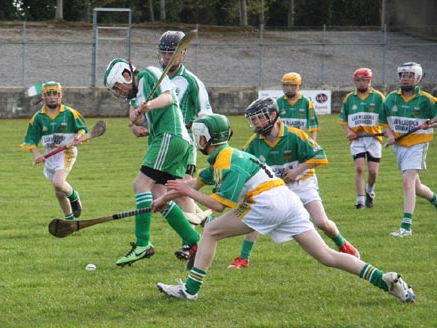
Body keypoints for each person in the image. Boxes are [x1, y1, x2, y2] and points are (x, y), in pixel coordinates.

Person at [153, 114, 415, 303]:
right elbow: (195, 182)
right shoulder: (224, 156)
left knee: (210, 231)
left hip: (266, 202)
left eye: (196, 134)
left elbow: (218, 205)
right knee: (326, 256)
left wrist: (187, 192)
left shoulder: (228, 162)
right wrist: (164, 199)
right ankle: (385, 280)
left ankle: (190, 290)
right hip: (286, 200)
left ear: (204, 137)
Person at [228, 97, 359, 270]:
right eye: (253, 120)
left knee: (321, 222)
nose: (256, 123)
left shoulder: (294, 135)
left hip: (303, 184)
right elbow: (243, 167)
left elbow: (320, 156)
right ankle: (243, 259)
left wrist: (296, 172)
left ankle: (342, 244)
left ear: (273, 115)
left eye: (259, 118)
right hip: (275, 188)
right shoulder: (253, 143)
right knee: (255, 217)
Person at [103, 58, 200, 267]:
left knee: (140, 185)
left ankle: (143, 244)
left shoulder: (150, 74)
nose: (119, 92)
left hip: (170, 134)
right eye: (115, 90)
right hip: (163, 138)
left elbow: (169, 97)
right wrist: (136, 123)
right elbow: (134, 116)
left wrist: (149, 105)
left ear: (127, 75)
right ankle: (194, 243)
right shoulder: (133, 93)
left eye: (119, 86)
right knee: (158, 194)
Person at [157, 30, 214, 260]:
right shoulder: (154, 77)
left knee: (178, 189)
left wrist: (194, 127)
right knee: (177, 191)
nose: (167, 58)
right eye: (164, 53)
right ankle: (206, 221)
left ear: (183, 55)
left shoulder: (191, 82)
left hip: (185, 143)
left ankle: (191, 244)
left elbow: (206, 114)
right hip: (162, 144)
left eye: (173, 53)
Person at [379, 62, 437, 237]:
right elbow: (383, 122)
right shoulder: (391, 98)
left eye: (410, 75)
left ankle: (406, 227)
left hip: (418, 144)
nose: (405, 79)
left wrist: (432, 123)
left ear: (418, 79)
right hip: (399, 147)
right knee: (416, 187)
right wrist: (390, 135)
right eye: (403, 75)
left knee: (407, 181)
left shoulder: (427, 99)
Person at [20, 81, 86, 220]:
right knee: (59, 192)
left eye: (55, 93)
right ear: (43, 96)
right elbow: (30, 139)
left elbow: (82, 128)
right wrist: (37, 154)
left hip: (66, 152)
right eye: (48, 94)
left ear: (60, 95)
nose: (52, 97)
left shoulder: (69, 113)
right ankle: (69, 221)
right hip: (50, 154)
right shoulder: (38, 117)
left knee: (58, 183)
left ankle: (74, 197)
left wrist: (79, 137)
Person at [338, 68, 385, 209]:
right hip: (357, 139)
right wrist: (349, 132)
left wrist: (388, 130)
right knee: (359, 169)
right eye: (358, 80)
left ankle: (370, 191)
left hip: (374, 139)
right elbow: (343, 120)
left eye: (364, 80)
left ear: (369, 81)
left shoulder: (378, 97)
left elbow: (386, 116)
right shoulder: (349, 98)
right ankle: (360, 201)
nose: (361, 83)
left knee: (373, 171)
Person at [277, 72, 320, 140]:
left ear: (298, 86)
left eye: (292, 86)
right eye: (286, 85)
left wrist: (312, 145)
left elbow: (313, 126)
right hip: (283, 142)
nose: (288, 88)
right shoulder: (278, 102)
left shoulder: (306, 102)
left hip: (301, 141)